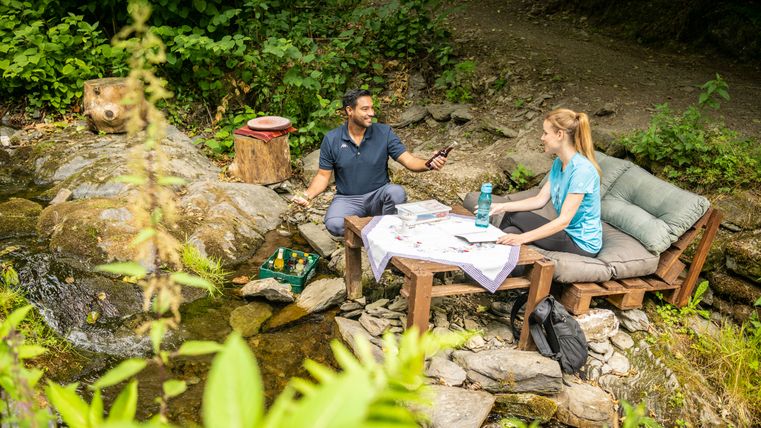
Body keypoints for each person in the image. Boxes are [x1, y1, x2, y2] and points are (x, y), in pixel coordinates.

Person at [294, 89, 447, 236]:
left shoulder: (384, 133)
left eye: (372, 108)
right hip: (348, 199)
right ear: (349, 110)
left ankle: (384, 232)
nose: (372, 113)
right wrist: (307, 195)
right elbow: (322, 176)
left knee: (396, 192)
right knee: (335, 224)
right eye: (365, 109)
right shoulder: (332, 139)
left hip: (379, 195)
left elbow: (409, 160)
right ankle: (380, 231)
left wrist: (429, 164)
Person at [471, 108, 602, 257]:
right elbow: (540, 200)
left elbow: (564, 221)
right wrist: (501, 206)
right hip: (566, 233)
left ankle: (482, 252)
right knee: (511, 232)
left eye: (545, 133)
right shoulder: (559, 163)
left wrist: (522, 238)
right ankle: (491, 261)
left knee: (515, 217)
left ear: (560, 135)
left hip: (581, 243)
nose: (542, 137)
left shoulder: (582, 171)